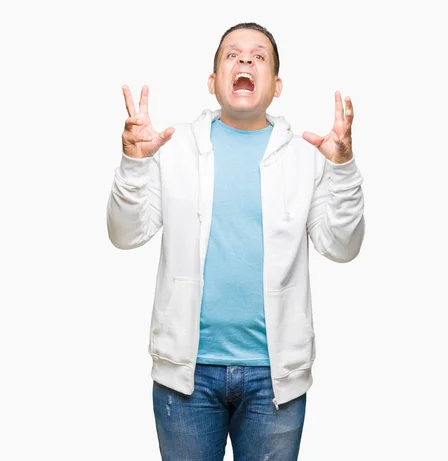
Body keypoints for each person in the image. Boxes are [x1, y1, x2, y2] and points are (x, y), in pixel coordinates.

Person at [106, 22, 365, 461]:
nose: (245, 60)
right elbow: (125, 234)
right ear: (212, 82)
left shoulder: (307, 156)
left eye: (259, 56)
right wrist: (134, 162)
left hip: (275, 380)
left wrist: (341, 169)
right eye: (233, 54)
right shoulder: (173, 147)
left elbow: (341, 246)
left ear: (277, 85)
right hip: (186, 377)